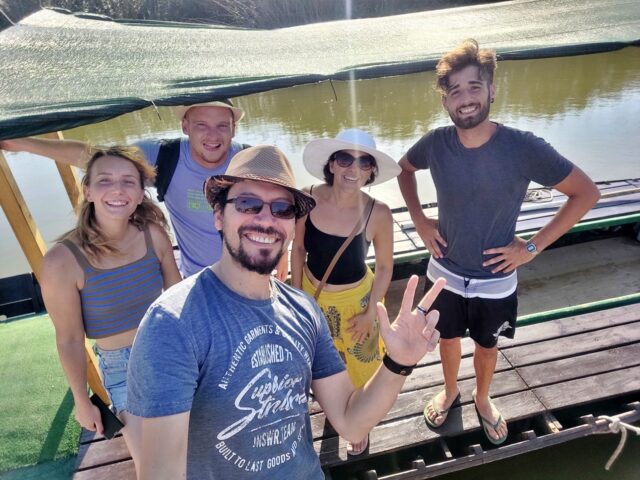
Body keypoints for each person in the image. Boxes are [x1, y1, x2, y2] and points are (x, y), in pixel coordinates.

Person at [126, 145, 446, 480]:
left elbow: (351, 423)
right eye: (248, 204)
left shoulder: (304, 310)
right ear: (219, 215)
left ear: (293, 226)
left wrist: (398, 364)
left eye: (282, 209)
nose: (266, 220)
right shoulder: (173, 322)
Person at [397, 39, 600, 445]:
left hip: (496, 278)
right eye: (454, 90)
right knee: (448, 338)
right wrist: (420, 220)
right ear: (444, 102)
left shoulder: (522, 147)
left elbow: (585, 193)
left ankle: (483, 397)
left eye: (474, 87)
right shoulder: (436, 143)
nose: (465, 99)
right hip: (445, 272)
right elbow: (403, 170)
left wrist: (531, 248)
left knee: (487, 344)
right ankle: (451, 389)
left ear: (492, 90)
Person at [0, 99, 288, 279]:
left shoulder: (251, 161)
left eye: (222, 126)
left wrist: (283, 265)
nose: (212, 136)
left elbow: (284, 214)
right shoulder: (165, 156)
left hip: (255, 275)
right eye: (202, 125)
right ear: (185, 125)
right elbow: (93, 157)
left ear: (234, 129)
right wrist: (23, 143)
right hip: (200, 279)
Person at [39, 146, 182, 474]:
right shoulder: (62, 261)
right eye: (105, 180)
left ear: (139, 193)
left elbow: (178, 303)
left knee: (202, 447)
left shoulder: (154, 235)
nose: (118, 190)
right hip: (122, 369)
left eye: (128, 181)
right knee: (156, 468)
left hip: (171, 353)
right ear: (87, 191)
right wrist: (81, 399)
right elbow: (70, 339)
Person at [290, 129, 400, 455]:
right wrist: (298, 298)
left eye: (364, 162)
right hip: (314, 293)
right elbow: (297, 250)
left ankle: (357, 420)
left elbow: (383, 268)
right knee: (320, 360)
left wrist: (371, 312)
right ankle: (330, 407)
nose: (353, 168)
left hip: (357, 300)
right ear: (332, 165)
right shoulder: (306, 199)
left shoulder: (378, 213)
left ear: (370, 172)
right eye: (345, 158)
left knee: (357, 363)